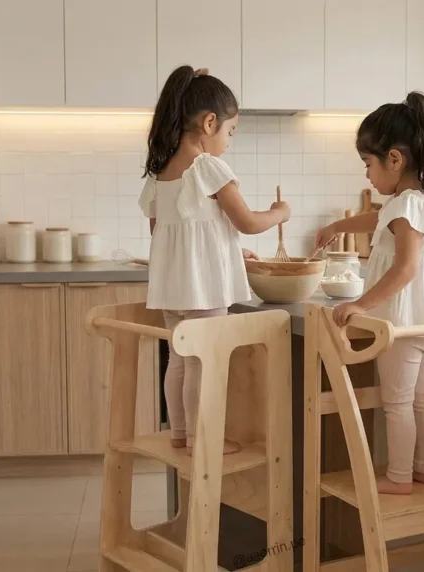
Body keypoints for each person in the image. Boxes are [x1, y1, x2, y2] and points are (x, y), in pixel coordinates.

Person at [314, 92, 424, 494]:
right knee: (421, 397)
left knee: (396, 401)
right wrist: (337, 228)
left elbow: (406, 268)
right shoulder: (421, 201)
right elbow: (375, 218)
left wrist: (360, 304)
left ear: (394, 160)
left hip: (404, 321)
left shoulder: (403, 208)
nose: (366, 175)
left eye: (368, 164)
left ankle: (399, 477)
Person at [140, 65, 290, 455]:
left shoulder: (161, 171)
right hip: (203, 287)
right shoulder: (207, 166)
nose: (229, 140)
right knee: (202, 363)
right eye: (231, 130)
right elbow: (248, 221)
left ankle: (179, 434)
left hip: (173, 285)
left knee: (178, 359)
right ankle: (200, 439)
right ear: (210, 123)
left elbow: (165, 229)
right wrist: (280, 213)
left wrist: (225, 247)